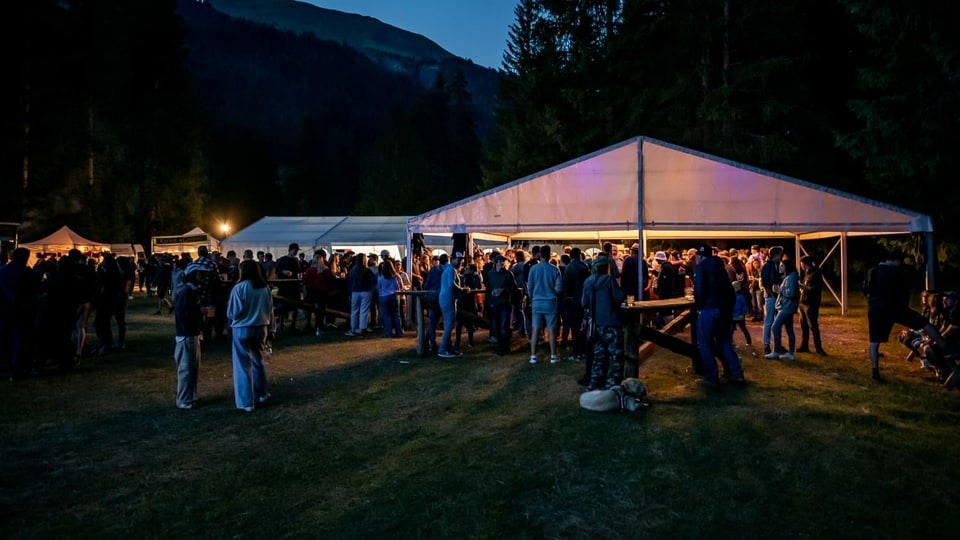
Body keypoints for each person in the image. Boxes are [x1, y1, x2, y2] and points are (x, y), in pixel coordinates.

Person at [864, 254, 944, 381]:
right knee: (923, 323)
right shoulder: (895, 272)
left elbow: (866, 290)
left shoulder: (871, 271)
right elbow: (903, 291)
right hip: (894, 307)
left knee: (874, 341)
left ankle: (875, 371)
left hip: (875, 308)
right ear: (894, 260)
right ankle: (943, 344)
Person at [226, 260, 275, 412]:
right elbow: (270, 309)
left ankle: (246, 401)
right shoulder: (265, 288)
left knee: (242, 364)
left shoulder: (239, 288)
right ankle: (261, 393)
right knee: (258, 360)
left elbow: (233, 312)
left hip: (242, 328)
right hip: (261, 327)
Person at [693, 245, 745, 386]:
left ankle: (711, 376)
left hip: (708, 309)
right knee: (724, 342)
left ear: (700, 256)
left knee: (705, 343)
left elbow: (699, 290)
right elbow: (729, 291)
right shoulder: (721, 268)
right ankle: (737, 373)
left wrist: (699, 306)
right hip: (724, 310)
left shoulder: (701, 268)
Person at [581, 255, 625, 389]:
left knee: (598, 357)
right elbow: (618, 298)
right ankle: (611, 385)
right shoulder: (609, 280)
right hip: (610, 322)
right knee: (615, 356)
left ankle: (593, 384)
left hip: (595, 324)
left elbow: (584, 303)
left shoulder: (588, 281)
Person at [0, 247, 41, 377]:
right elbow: (35, 288)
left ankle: (9, 363)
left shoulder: (3, 271)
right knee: (21, 337)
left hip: (5, 309)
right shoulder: (26, 272)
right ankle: (18, 365)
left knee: (7, 337)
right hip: (22, 309)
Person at [173, 268, 204, 409]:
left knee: (192, 368)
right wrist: (199, 313)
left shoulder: (190, 291)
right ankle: (184, 399)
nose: (201, 276)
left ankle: (190, 397)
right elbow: (182, 314)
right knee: (186, 368)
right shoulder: (187, 292)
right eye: (198, 274)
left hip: (191, 333)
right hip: (187, 334)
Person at [526, 245, 562, 364]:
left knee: (535, 329)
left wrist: (532, 299)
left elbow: (529, 287)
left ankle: (533, 356)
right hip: (550, 302)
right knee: (551, 329)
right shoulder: (554, 269)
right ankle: (553, 356)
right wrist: (553, 292)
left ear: (540, 255)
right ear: (549, 255)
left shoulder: (533, 269)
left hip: (537, 301)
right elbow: (559, 288)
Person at [765, 258, 799, 360]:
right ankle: (790, 353)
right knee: (789, 329)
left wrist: (779, 290)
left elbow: (791, 293)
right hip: (788, 306)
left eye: (782, 266)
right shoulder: (790, 276)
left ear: (787, 267)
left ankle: (776, 351)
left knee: (775, 327)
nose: (780, 267)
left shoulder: (790, 278)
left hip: (786, 307)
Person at [486, 254, 517, 355]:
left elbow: (514, 288)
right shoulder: (490, 274)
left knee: (504, 326)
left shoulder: (508, 274)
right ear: (495, 263)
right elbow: (488, 289)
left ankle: (505, 347)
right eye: (500, 261)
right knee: (496, 326)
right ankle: (500, 346)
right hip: (494, 304)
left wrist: (503, 290)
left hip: (504, 303)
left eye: (503, 261)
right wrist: (489, 301)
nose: (502, 263)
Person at [438, 252, 467, 357]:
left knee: (448, 324)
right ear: (453, 259)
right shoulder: (451, 270)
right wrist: (462, 289)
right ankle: (442, 349)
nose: (461, 262)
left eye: (461, 260)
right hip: (448, 300)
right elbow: (451, 284)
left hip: (446, 299)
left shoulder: (449, 269)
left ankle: (448, 348)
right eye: (459, 260)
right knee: (449, 325)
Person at [797, 256, 827, 355]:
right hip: (803, 303)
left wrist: (803, 287)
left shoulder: (815, 274)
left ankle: (818, 347)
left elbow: (816, 289)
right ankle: (804, 345)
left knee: (813, 326)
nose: (800, 266)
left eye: (801, 263)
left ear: (804, 264)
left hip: (811, 304)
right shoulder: (807, 273)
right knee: (804, 326)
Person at [345, 253, 376, 336]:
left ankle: (353, 328)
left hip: (355, 291)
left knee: (354, 311)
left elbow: (349, 283)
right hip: (366, 291)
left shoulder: (352, 271)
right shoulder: (367, 270)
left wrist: (349, 293)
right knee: (364, 311)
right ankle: (362, 328)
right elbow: (373, 281)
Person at [761, 246, 784, 355]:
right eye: (780, 254)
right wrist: (771, 294)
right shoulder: (768, 265)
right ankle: (766, 345)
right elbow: (765, 282)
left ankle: (777, 344)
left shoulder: (774, 265)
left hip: (775, 295)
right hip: (771, 296)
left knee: (775, 321)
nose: (781, 256)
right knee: (769, 321)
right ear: (775, 255)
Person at [274, 243, 302, 331]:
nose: (296, 252)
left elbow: (299, 271)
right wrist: (283, 272)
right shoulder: (282, 260)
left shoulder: (296, 260)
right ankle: (282, 324)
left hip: (294, 286)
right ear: (290, 249)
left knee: (295, 306)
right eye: (295, 250)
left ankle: (293, 324)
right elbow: (277, 270)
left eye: (297, 251)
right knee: (283, 305)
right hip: (285, 287)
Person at [377, 258, 404, 338]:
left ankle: (388, 333)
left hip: (383, 296)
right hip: (394, 295)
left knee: (386, 315)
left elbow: (379, 287)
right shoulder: (396, 276)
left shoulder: (381, 277)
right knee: (396, 314)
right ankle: (399, 332)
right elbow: (400, 286)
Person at [730, 281, 752, 348]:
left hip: (735, 316)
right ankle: (748, 341)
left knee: (731, 330)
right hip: (738, 316)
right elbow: (745, 306)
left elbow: (744, 306)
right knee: (742, 329)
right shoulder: (741, 296)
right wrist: (743, 314)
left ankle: (730, 342)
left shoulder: (733, 296)